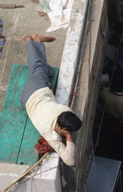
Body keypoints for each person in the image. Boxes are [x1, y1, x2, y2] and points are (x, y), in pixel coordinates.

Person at [20, 34, 82, 166]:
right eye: (70, 131)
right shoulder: (52, 136)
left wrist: (67, 134)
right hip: (27, 98)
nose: (71, 133)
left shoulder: (64, 111)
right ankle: (30, 41)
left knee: (38, 67)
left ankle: (36, 41)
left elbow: (71, 162)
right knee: (40, 67)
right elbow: (69, 160)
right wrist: (68, 137)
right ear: (62, 127)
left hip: (37, 90)